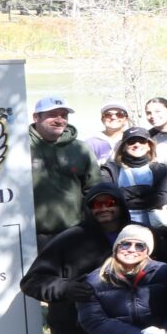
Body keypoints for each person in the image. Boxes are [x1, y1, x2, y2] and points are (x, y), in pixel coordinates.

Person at [21, 185, 131, 334]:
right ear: (88, 208)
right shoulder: (69, 239)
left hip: (130, 322)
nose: (103, 208)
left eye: (110, 203)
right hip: (77, 328)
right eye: (96, 204)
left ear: (121, 205)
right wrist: (64, 288)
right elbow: (31, 281)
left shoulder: (138, 235)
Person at [30, 97, 101, 240]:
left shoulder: (81, 149)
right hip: (30, 235)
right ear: (36, 117)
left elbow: (94, 189)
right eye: (52, 115)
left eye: (64, 115)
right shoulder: (18, 146)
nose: (59, 120)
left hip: (74, 232)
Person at [101, 128, 167, 231]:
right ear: (123, 147)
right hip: (121, 227)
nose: (137, 145)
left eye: (142, 141)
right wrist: (145, 190)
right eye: (131, 141)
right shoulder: (110, 169)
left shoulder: (159, 169)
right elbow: (109, 197)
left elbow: (162, 198)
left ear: (149, 146)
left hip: (154, 228)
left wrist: (124, 197)